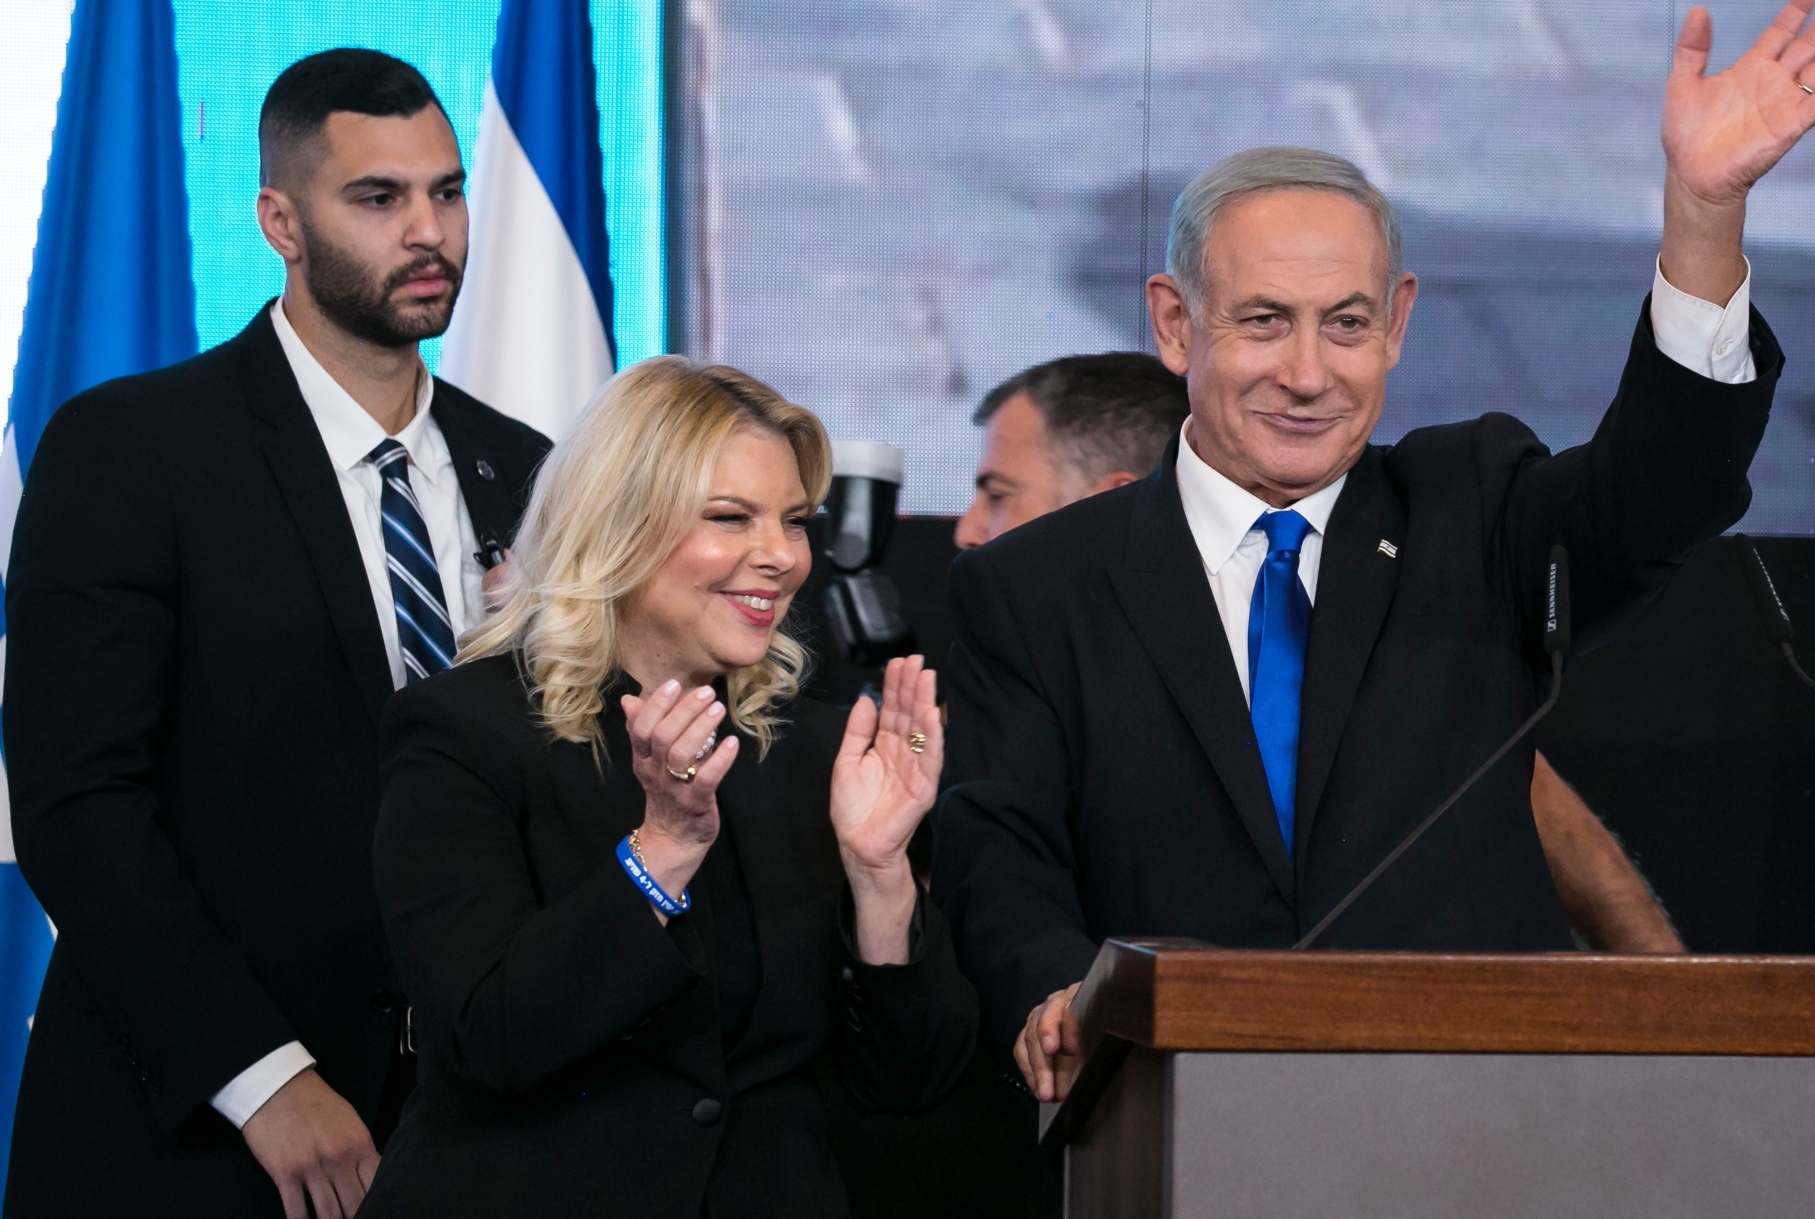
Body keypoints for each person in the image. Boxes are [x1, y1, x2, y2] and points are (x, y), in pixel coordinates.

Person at [934, 0, 1815, 1103]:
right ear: (1177, 325)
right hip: (1174, 1122)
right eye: (1264, 321)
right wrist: (1052, 990)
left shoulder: (1467, 509)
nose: (1308, 373)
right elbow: (1001, 851)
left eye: (1346, 322)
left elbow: (1662, 490)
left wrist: (1704, 217)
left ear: (1400, 324)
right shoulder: (1040, 584)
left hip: (1477, 1126)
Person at [2, 49, 550, 1219]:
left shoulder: (530, 469)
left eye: (447, 192)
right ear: (279, 222)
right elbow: (78, 804)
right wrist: (261, 1079)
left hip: (475, 1134)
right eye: (379, 197)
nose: (430, 232)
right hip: (200, 1141)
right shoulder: (135, 449)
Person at [362, 357, 977, 1218]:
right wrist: (661, 852)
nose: (781, 557)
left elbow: (915, 1079)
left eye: (795, 522)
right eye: (732, 518)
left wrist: (880, 876)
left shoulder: (822, 747)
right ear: (619, 527)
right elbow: (488, 1040)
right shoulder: (463, 731)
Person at [956, 353, 1683, 954]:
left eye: (997, 494)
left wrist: (1674, 1008)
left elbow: (1532, 799)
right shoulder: (1017, 645)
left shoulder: (1405, 579)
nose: (965, 528)